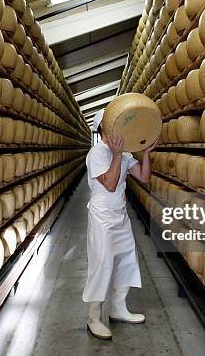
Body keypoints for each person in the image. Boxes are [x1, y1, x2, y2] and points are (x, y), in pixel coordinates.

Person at [82, 108, 157, 340]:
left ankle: (118, 308)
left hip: (119, 215)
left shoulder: (124, 154)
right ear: (103, 127)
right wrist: (116, 155)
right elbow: (111, 184)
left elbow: (144, 178)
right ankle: (94, 318)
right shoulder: (97, 153)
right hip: (101, 216)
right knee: (102, 264)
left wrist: (145, 153)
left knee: (127, 259)